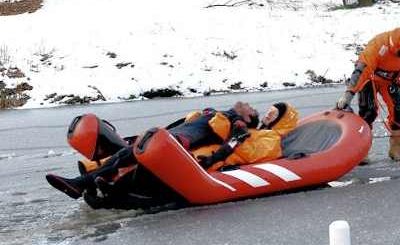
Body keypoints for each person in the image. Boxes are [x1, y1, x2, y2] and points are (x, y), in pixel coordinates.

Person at [46, 101, 259, 200]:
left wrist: (214, 159)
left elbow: (236, 139)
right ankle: (98, 186)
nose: (246, 103)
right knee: (127, 155)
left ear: (249, 117)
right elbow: (175, 125)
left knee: (131, 159)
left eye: (250, 107)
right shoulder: (211, 112)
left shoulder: (236, 120)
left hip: (177, 145)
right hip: (167, 139)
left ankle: (87, 185)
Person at [335, 26, 400, 163]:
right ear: (395, 47)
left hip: (390, 80)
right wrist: (348, 95)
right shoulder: (376, 47)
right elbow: (361, 72)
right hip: (370, 79)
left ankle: (395, 150)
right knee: (368, 112)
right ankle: (362, 152)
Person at [193, 101, 298, 170]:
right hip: (204, 154)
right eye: (269, 111)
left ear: (282, 120)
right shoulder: (255, 131)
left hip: (213, 162)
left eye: (274, 113)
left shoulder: (273, 139)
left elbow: (251, 154)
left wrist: (234, 133)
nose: (269, 114)